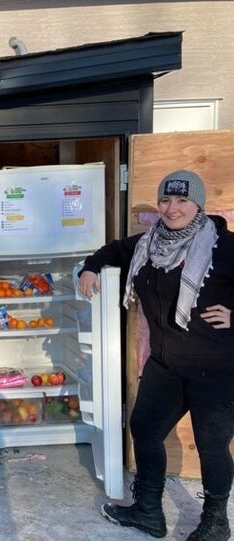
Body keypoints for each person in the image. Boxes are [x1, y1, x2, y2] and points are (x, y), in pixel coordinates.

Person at [78, 170, 234, 540]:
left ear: (198, 204)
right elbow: (111, 250)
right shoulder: (149, 243)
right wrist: (89, 268)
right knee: (145, 429)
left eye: (182, 200)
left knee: (211, 445)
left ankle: (215, 522)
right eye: (166, 200)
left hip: (215, 367)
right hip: (166, 363)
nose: (172, 208)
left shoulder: (224, 247)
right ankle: (148, 511)